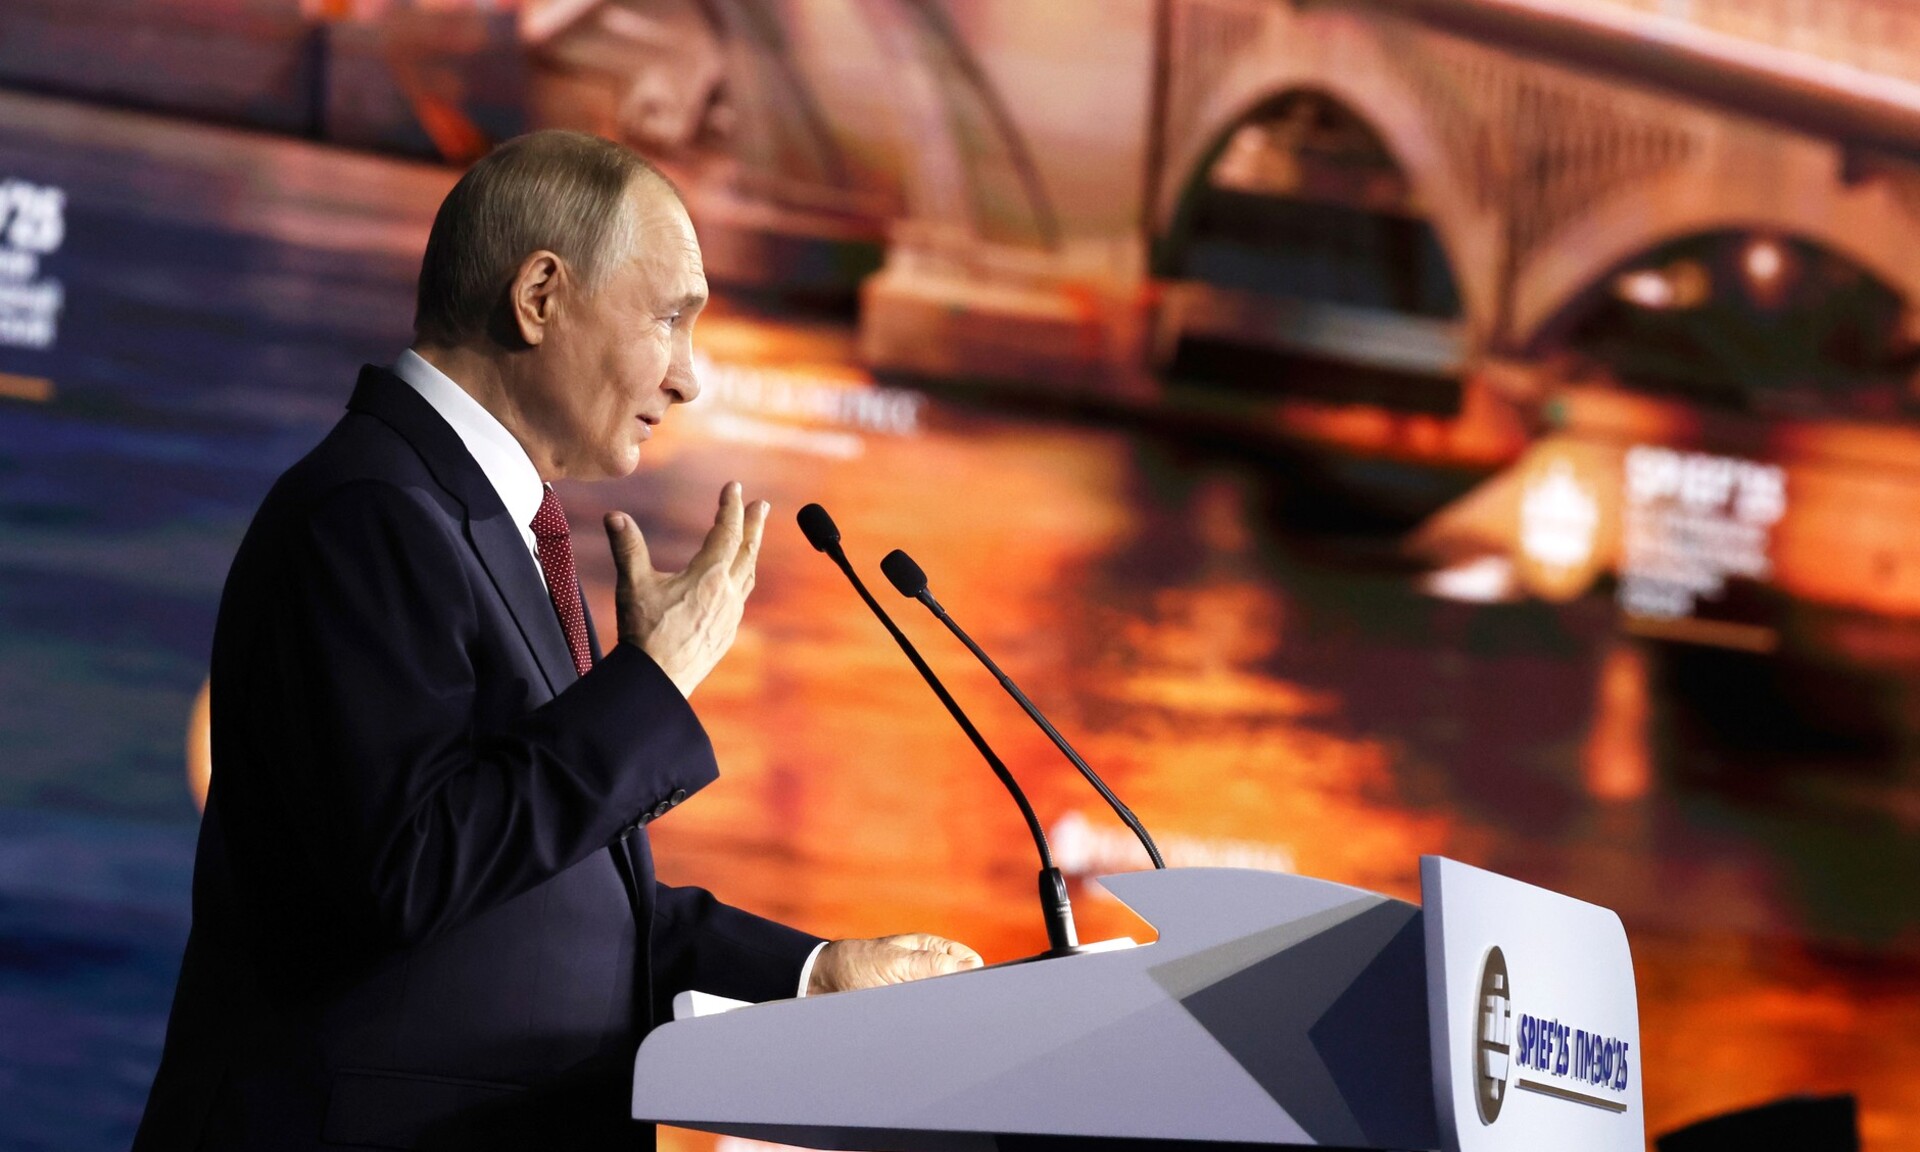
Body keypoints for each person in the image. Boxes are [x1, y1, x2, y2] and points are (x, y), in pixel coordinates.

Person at [132, 130, 981, 1152]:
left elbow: (557, 908)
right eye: (670, 319)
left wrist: (813, 973)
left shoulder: (478, 522)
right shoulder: (371, 512)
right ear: (539, 297)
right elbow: (406, 869)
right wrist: (652, 682)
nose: (690, 378)